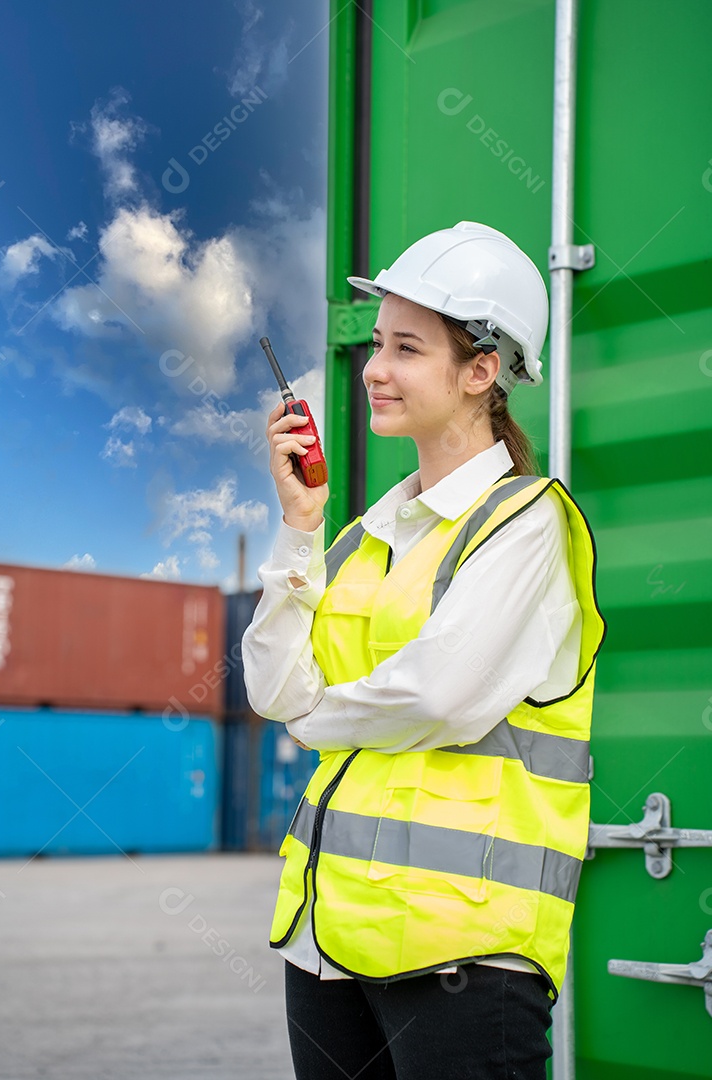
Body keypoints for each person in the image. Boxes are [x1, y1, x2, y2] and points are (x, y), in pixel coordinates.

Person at [242, 221, 606, 1080]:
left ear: (481, 371)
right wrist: (300, 529)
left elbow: (439, 696)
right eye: (377, 343)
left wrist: (317, 716)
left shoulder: (530, 524)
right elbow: (269, 684)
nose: (374, 368)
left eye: (407, 347)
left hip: (462, 958)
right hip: (324, 943)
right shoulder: (369, 532)